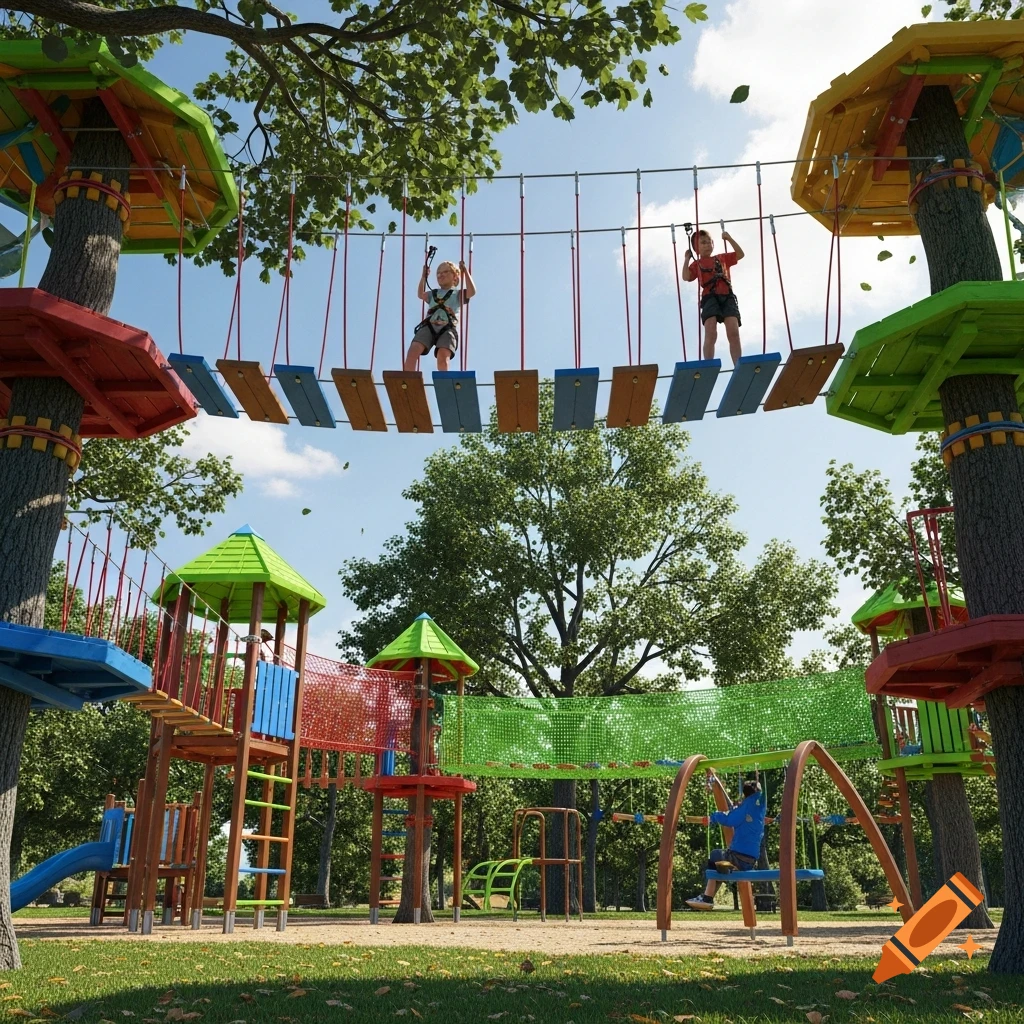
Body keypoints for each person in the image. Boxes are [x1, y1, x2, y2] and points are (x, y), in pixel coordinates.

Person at [685, 774, 766, 911]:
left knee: (715, 855)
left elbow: (729, 820)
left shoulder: (746, 807)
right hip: (750, 860)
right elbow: (739, 815)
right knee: (721, 866)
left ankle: (707, 898)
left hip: (739, 857)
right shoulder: (759, 808)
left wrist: (714, 816)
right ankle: (707, 897)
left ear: (745, 795)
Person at [682, 228, 744, 365]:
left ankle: (738, 364)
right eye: (703, 243)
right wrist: (686, 259)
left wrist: (729, 238)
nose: (707, 245)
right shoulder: (696, 264)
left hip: (727, 296)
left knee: (733, 332)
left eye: (709, 242)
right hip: (710, 297)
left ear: (713, 244)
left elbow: (740, 254)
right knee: (711, 332)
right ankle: (708, 363)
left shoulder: (721, 258)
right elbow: (686, 277)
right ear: (696, 249)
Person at [403, 258, 476, 372]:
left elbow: (472, 292)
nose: (440, 275)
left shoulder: (457, 294)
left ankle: (444, 381)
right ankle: (407, 377)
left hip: (447, 328)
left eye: (445, 272)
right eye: (438, 273)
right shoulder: (433, 293)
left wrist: (465, 272)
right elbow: (420, 294)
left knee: (443, 356)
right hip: (429, 325)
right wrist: (424, 277)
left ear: (455, 277)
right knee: (413, 350)